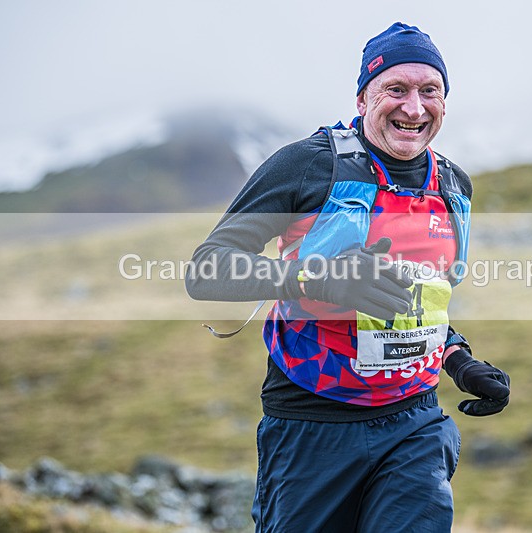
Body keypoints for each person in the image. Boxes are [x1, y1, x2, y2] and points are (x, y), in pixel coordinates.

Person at [186, 22, 510, 533]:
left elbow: (418, 297)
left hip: (415, 422)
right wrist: (318, 280)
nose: (413, 107)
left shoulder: (453, 186)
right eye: (395, 90)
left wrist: (458, 358)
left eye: (430, 91)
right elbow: (207, 271)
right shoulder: (306, 166)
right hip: (313, 420)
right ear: (363, 99)